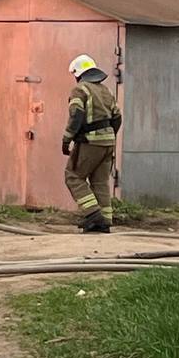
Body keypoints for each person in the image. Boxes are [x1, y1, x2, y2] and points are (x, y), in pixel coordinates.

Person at [62, 54, 121, 234]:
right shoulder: (106, 91)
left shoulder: (80, 90)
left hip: (90, 142)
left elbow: (76, 116)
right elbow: (117, 118)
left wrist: (67, 139)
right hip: (108, 142)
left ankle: (93, 214)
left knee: (73, 176)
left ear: (77, 74)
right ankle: (104, 221)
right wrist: (108, 136)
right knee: (100, 181)